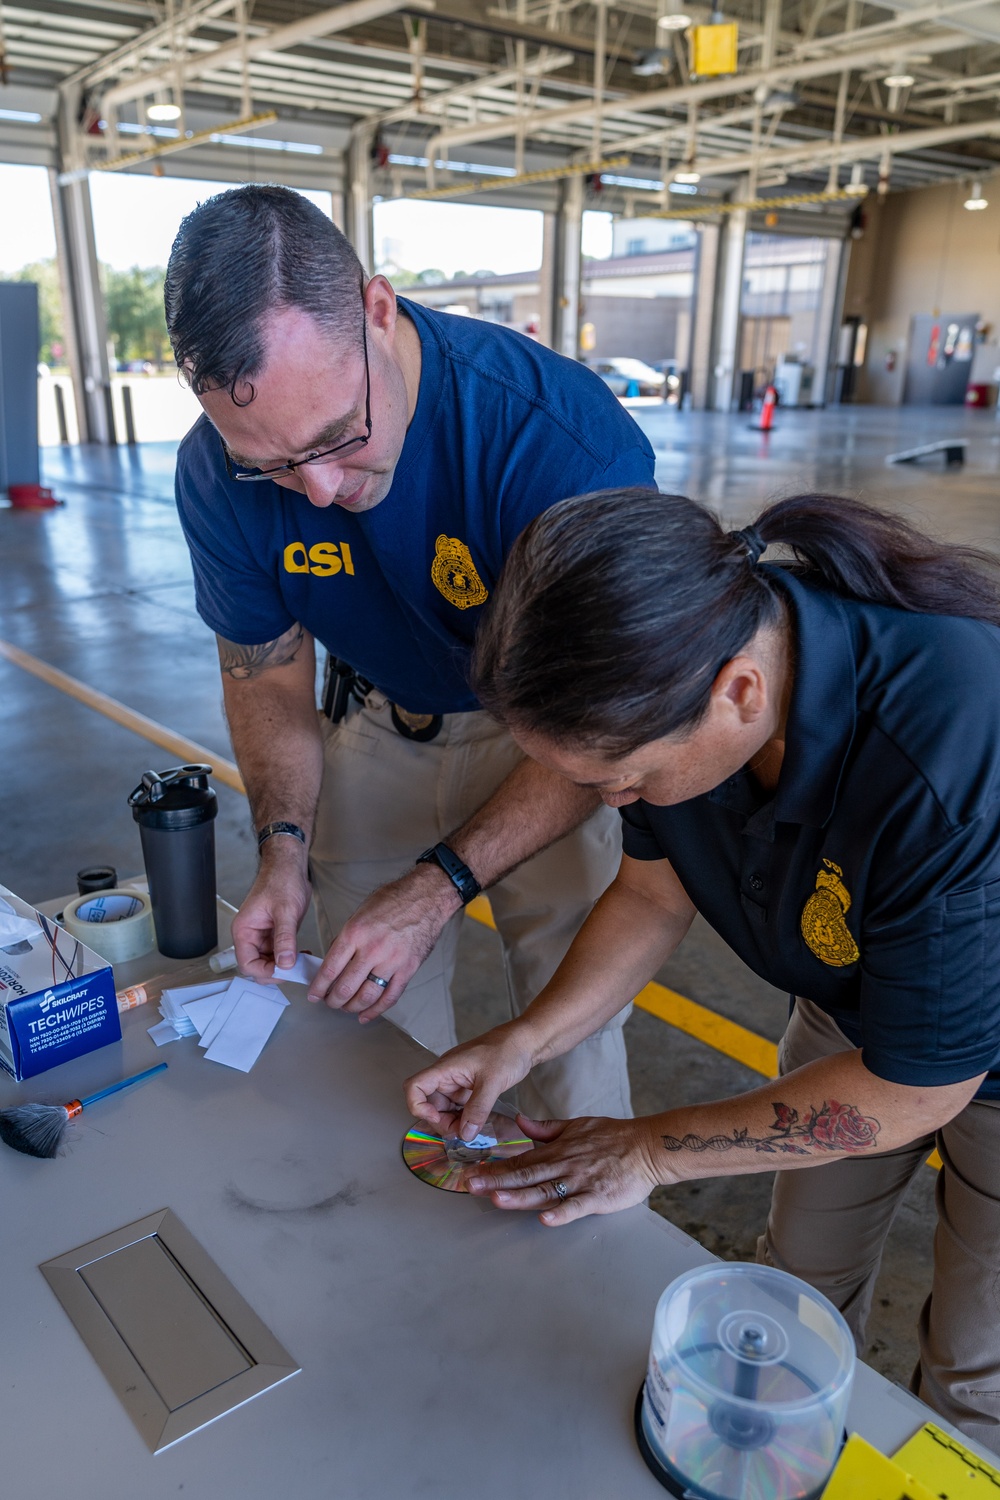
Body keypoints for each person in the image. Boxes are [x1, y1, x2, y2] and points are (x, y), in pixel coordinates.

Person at [405, 487, 1000, 1453]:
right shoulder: (689, 690)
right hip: (861, 1016)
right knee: (792, 1294)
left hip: (959, 1058)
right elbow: (651, 896)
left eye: (621, 781)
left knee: (978, 1373)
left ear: (739, 694)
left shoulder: (949, 744)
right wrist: (523, 1042)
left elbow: (920, 1085)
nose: (615, 799)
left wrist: (652, 1149)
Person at [163, 184, 655, 1119]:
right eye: (269, 464)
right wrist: (282, 848)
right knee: (367, 1025)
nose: (314, 491)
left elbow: (617, 720)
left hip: (553, 739)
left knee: (569, 1026)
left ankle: (578, 1242)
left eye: (337, 438)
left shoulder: (558, 446)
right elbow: (266, 676)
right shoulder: (211, 472)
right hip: (384, 719)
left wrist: (439, 888)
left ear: (377, 313)